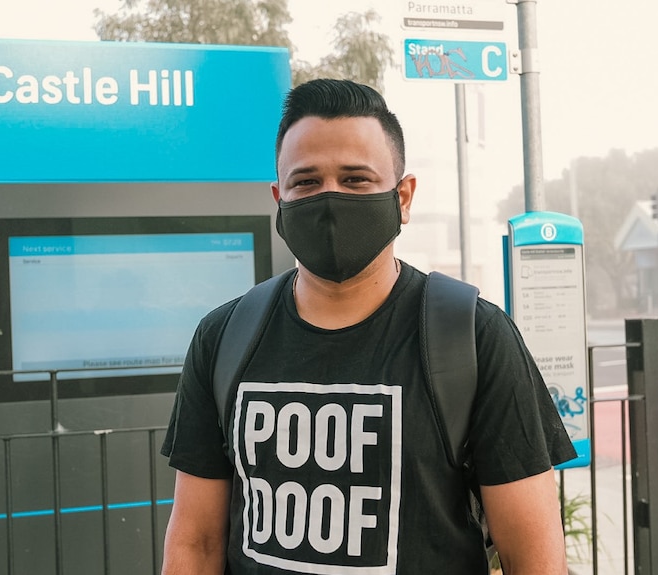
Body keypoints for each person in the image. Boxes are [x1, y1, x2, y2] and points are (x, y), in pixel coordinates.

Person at [160, 78, 576, 574]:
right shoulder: (223, 337)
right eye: (306, 182)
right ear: (279, 197)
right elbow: (196, 542)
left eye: (356, 179)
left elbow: (533, 559)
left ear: (403, 197)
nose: (329, 198)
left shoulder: (476, 337)